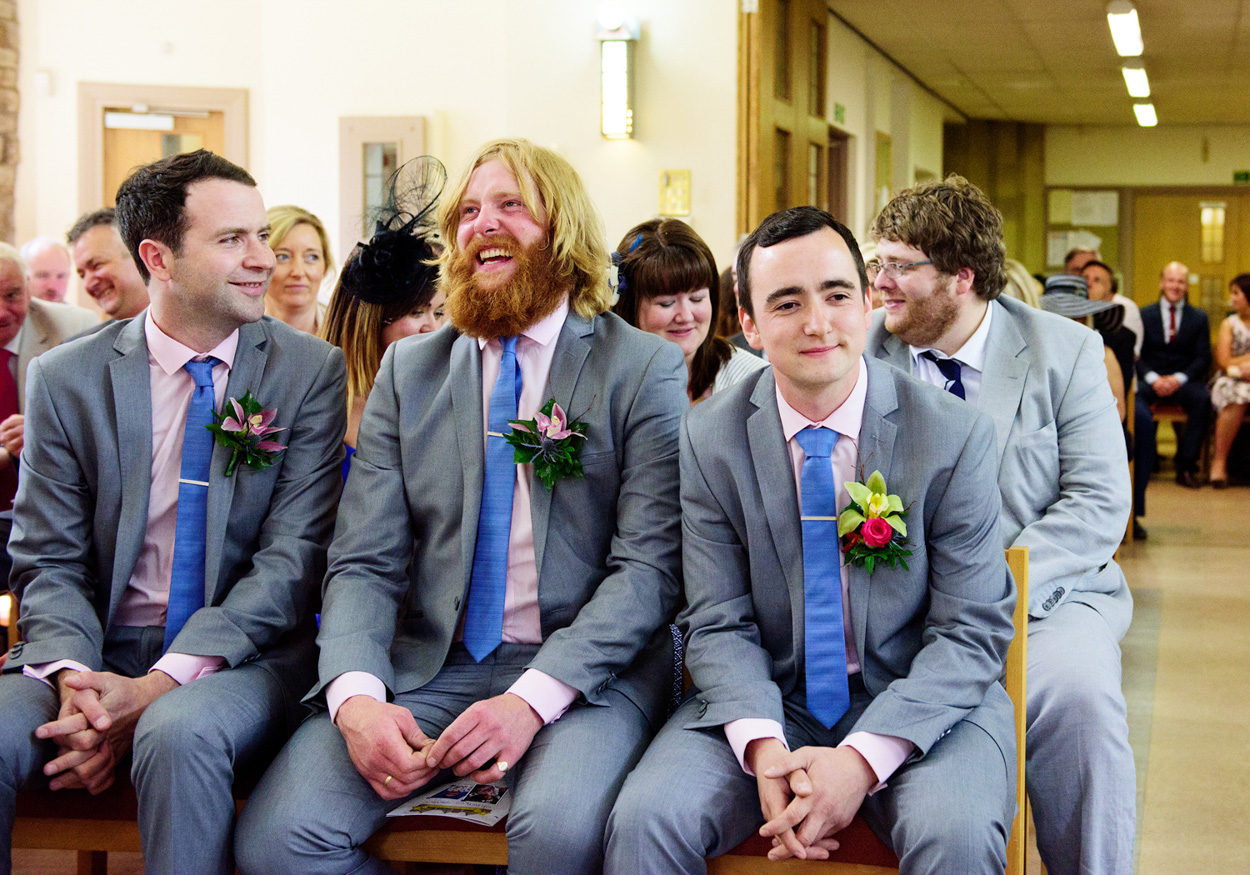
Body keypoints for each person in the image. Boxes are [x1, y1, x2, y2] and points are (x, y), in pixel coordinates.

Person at [235, 138, 687, 875]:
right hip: (431, 663)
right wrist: (356, 697)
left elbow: (649, 571)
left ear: (563, 229)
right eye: (470, 211)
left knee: (557, 832)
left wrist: (530, 700)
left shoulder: (640, 367)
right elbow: (362, 561)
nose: (485, 223)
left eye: (512, 206)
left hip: (585, 671)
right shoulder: (410, 370)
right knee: (279, 840)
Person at [605, 206, 1015, 873]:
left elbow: (971, 631)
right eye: (787, 303)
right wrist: (764, 747)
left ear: (868, 302)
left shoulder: (952, 434)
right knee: (647, 818)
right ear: (748, 324)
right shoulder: (709, 438)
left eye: (836, 295)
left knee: (957, 834)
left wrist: (860, 760)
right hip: (769, 695)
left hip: (921, 698)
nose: (817, 323)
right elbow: (717, 620)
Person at [0, 150, 347, 875]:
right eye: (234, 241)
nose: (265, 260)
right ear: (158, 257)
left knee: (175, 730)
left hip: (238, 658)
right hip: (91, 647)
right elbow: (47, 557)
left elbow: (291, 560)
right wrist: (80, 690)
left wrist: (154, 688)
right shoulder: (66, 378)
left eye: (262, 235)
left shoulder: (308, 371)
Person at [867, 176, 1135, 875]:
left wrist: (991, 581)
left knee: (1081, 699)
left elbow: (1099, 502)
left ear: (962, 277)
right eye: (876, 263)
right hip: (901, 608)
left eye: (899, 266)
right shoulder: (862, 357)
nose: (879, 284)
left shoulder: (1064, 352)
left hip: (1045, 604)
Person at [320, 156, 448, 475]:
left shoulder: (444, 400)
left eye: (441, 312)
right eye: (417, 311)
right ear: (370, 321)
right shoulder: (320, 406)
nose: (432, 326)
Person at [0, 243, 99, 586]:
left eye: (12, 295)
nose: (1, 312)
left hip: (55, 513)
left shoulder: (75, 331)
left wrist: (44, 430)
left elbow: (100, 424)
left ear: (29, 290)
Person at [613, 218, 767, 402]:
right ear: (628, 306)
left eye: (697, 299)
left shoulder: (753, 380)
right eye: (666, 303)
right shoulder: (605, 382)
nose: (685, 316)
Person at [1134, 261, 1212, 516]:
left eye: (1180, 281)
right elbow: (1136, 354)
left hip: (1183, 380)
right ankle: (1148, 457)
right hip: (1151, 378)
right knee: (1135, 400)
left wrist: (1179, 378)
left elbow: (1203, 357)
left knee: (1202, 399)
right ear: (1161, 283)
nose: (1175, 286)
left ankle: (1187, 465)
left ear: (1186, 286)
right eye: (1171, 280)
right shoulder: (1143, 314)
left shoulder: (1199, 317)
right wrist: (1154, 377)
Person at [1039, 274, 1129, 423]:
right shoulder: (1035, 354)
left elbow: (1118, 412)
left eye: (1075, 317)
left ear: (1085, 319)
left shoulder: (1104, 355)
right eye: (1058, 317)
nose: (1067, 324)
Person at [67, 208, 150, 320]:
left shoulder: (180, 331)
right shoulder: (89, 338)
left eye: (97, 265)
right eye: (82, 275)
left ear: (140, 258)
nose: (88, 284)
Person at [265, 205, 334, 334]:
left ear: (326, 265)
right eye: (283, 257)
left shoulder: (349, 334)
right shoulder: (236, 335)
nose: (298, 272)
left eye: (312, 257)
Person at [1209, 273, 1250, 487]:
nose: (1232, 298)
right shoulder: (1230, 324)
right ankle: (1219, 463)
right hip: (1233, 378)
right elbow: (1225, 360)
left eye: (1236, 293)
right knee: (1237, 394)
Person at [1083, 259, 1144, 356]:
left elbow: (1133, 356)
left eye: (1097, 280)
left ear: (1110, 292)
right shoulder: (1068, 318)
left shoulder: (1123, 333)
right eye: (1085, 278)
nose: (1088, 284)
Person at [18, 238, 73, 304]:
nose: (52, 287)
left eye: (61, 276)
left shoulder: (78, 314)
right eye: (43, 276)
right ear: (23, 276)